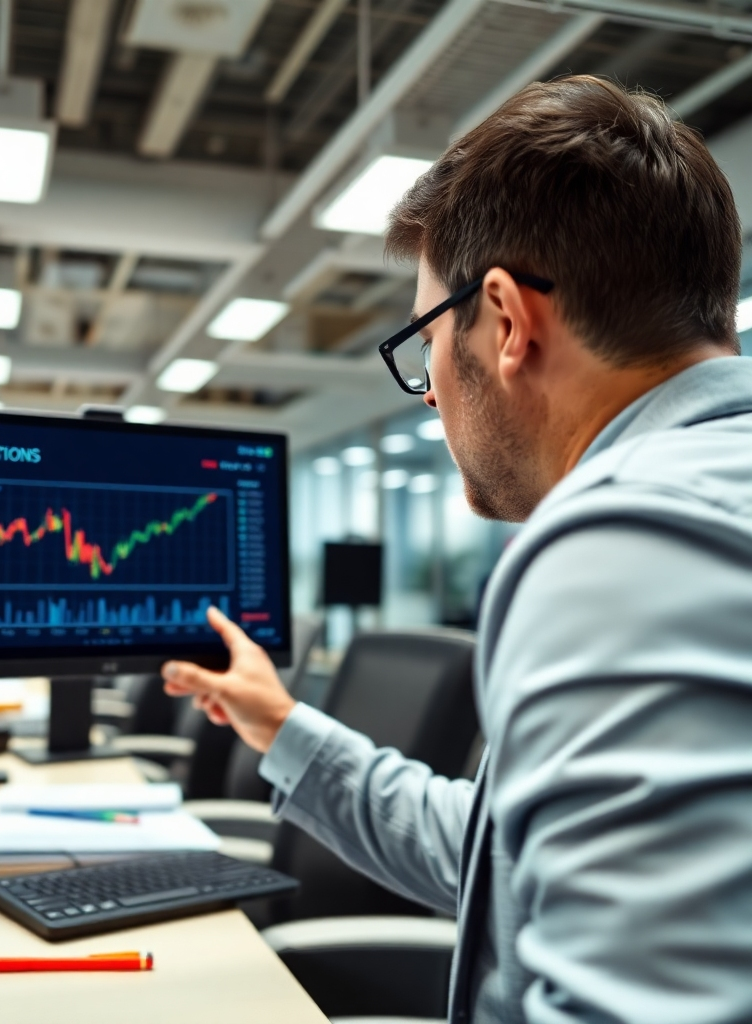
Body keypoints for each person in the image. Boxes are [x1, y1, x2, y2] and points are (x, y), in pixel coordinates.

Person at [163, 76, 752, 1024]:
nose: (430, 390)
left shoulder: (622, 540)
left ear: (508, 321)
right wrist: (282, 725)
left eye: (425, 338)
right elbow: (501, 859)